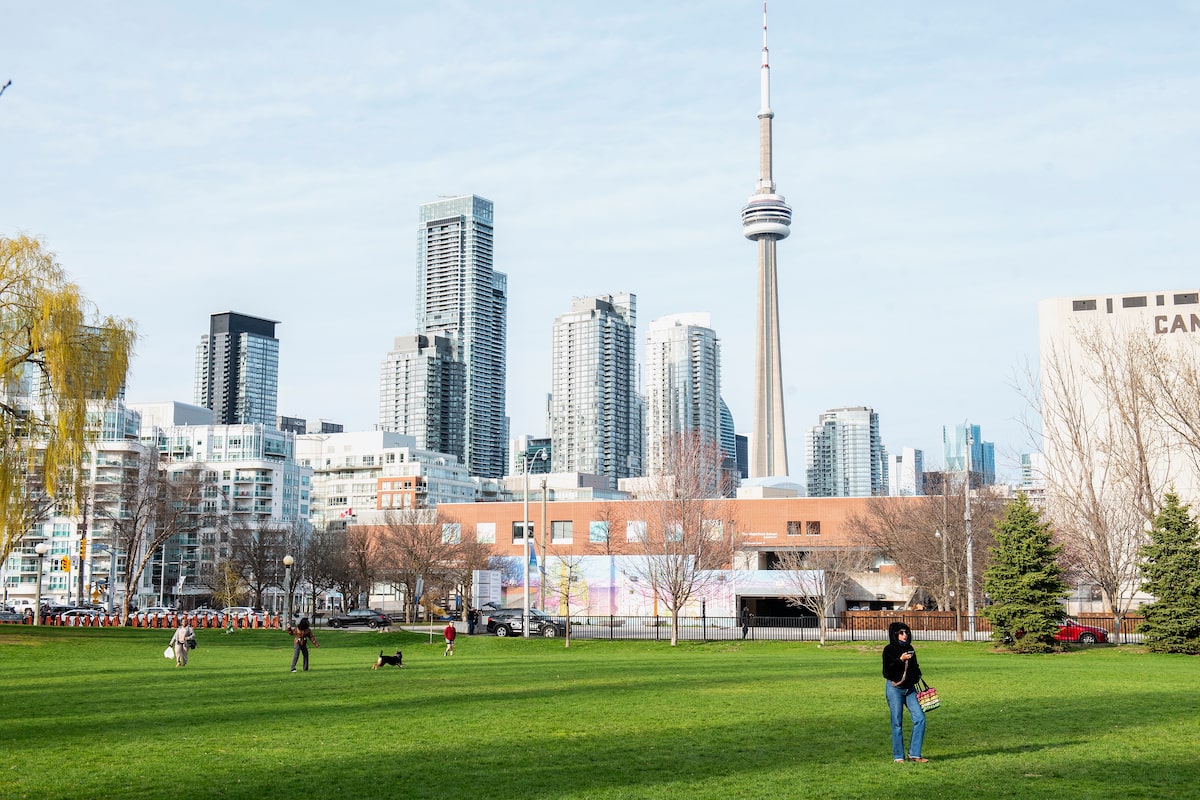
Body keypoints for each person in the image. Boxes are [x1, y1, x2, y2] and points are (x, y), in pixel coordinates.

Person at [882, 621, 927, 763]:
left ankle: (914, 754)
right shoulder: (889, 650)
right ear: (895, 634)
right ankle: (898, 756)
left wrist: (916, 675)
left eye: (906, 632)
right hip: (895, 689)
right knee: (897, 722)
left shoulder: (910, 648)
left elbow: (915, 668)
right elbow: (887, 672)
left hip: (910, 689)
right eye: (901, 633)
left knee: (920, 718)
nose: (904, 635)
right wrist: (900, 660)